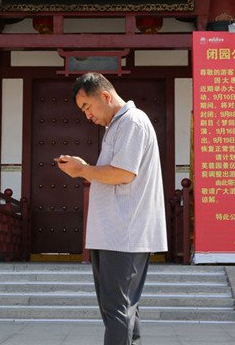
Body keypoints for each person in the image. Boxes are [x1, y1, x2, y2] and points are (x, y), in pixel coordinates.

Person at [56, 72, 167, 345]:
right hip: (114, 232)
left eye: (87, 107)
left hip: (124, 233)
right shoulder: (118, 125)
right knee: (123, 309)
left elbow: (123, 173)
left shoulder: (131, 122)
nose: (87, 115)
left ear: (105, 96)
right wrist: (84, 168)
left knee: (117, 310)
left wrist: (83, 170)